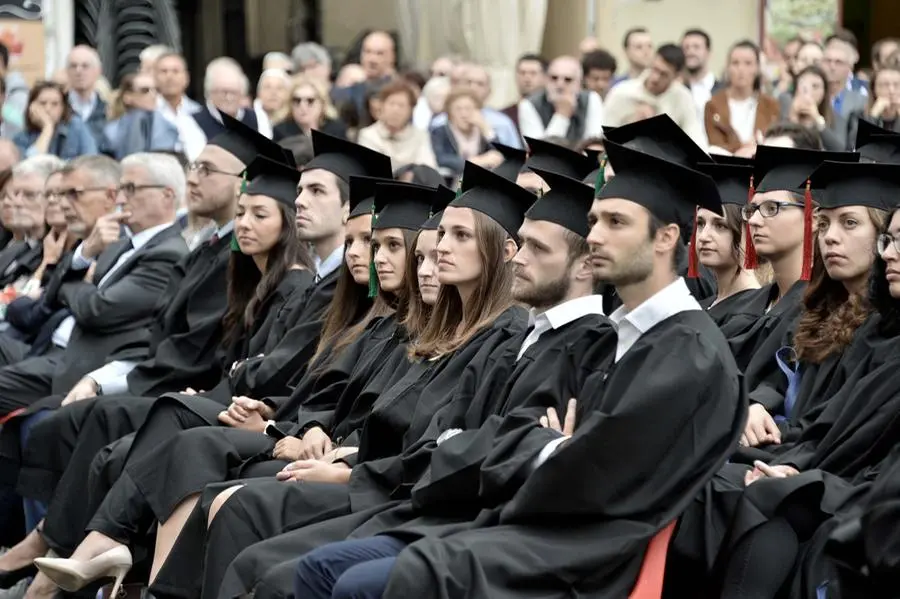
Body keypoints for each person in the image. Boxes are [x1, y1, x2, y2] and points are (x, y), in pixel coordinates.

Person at [288, 137, 746, 599]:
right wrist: (545, 443)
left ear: (666, 237)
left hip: (582, 559)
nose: (597, 236)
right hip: (523, 528)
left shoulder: (687, 352)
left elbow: (594, 477)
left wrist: (546, 447)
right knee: (323, 568)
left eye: (616, 222)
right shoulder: (619, 339)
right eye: (593, 222)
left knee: (358, 582)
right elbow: (530, 435)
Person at [227, 163, 613, 599]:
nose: (520, 258)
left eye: (535, 248)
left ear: (584, 264)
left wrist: (354, 467)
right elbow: (456, 435)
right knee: (270, 552)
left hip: (456, 514)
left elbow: (491, 447)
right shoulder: (524, 337)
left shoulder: (577, 343)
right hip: (417, 491)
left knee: (278, 559)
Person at [691, 158, 761, 329]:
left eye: (720, 226)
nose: (704, 236)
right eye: (700, 224)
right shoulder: (703, 306)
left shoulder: (751, 315)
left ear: (749, 229)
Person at [603, 44, 705, 147]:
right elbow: (604, 138)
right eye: (655, 69)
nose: (655, 78)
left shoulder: (683, 97)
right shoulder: (622, 92)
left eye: (664, 74)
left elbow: (696, 139)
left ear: (676, 76)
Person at [704, 41, 779, 155]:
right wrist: (744, 149)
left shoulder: (771, 105)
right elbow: (715, 146)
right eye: (735, 63)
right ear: (728, 67)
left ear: (757, 68)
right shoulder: (713, 105)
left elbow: (774, 142)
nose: (741, 69)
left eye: (748, 63)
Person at [518, 55, 604, 144]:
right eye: (554, 78)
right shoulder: (529, 104)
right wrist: (562, 115)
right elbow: (538, 152)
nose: (560, 85)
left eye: (568, 79)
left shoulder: (591, 99)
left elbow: (593, 144)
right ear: (546, 80)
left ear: (579, 84)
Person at [357, 80, 437, 169]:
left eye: (401, 105)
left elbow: (428, 168)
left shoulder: (420, 136)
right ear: (382, 106)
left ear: (411, 110)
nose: (396, 110)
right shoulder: (368, 135)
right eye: (391, 104)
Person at [102, 72, 180, 159]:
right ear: (128, 97)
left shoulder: (169, 125)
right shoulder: (111, 130)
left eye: (156, 90)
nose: (153, 95)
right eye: (145, 90)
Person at [13, 81, 98, 160]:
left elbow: (92, 161)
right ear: (32, 107)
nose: (48, 109)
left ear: (63, 108)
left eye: (55, 104)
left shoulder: (76, 127)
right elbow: (30, 166)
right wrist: (47, 128)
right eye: (42, 103)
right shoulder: (22, 138)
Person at [430, 87, 502, 181]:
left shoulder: (481, 131)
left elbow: (499, 155)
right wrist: (476, 161)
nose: (464, 114)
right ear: (449, 112)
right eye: (458, 109)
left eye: (468, 109)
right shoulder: (440, 132)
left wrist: (486, 129)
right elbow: (441, 158)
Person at [786, 65, 852, 151]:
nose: (809, 92)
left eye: (815, 87)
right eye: (803, 86)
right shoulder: (784, 110)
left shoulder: (836, 118)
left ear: (824, 92)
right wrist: (793, 118)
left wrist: (818, 121)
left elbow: (841, 150)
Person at [273, 76, 346, 141]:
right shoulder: (280, 132)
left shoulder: (336, 131)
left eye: (310, 100)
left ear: (322, 104)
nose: (302, 106)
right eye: (297, 100)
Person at [252, 69, 291, 139]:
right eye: (267, 87)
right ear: (258, 93)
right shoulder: (248, 120)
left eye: (279, 88)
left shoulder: (293, 121)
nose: (273, 92)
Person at [864, 62, 900, 133]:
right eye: (885, 85)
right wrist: (873, 116)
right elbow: (855, 143)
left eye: (896, 85)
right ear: (874, 89)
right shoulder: (858, 116)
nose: (891, 91)